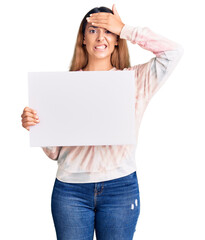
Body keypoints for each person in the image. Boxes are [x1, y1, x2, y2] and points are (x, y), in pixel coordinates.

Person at [21, 4, 183, 240]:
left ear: (117, 40)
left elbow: (173, 52)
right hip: (71, 191)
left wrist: (125, 28)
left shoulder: (135, 80)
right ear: (83, 39)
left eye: (108, 31)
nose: (101, 37)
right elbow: (55, 152)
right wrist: (37, 126)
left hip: (120, 189)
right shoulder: (62, 87)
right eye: (93, 30)